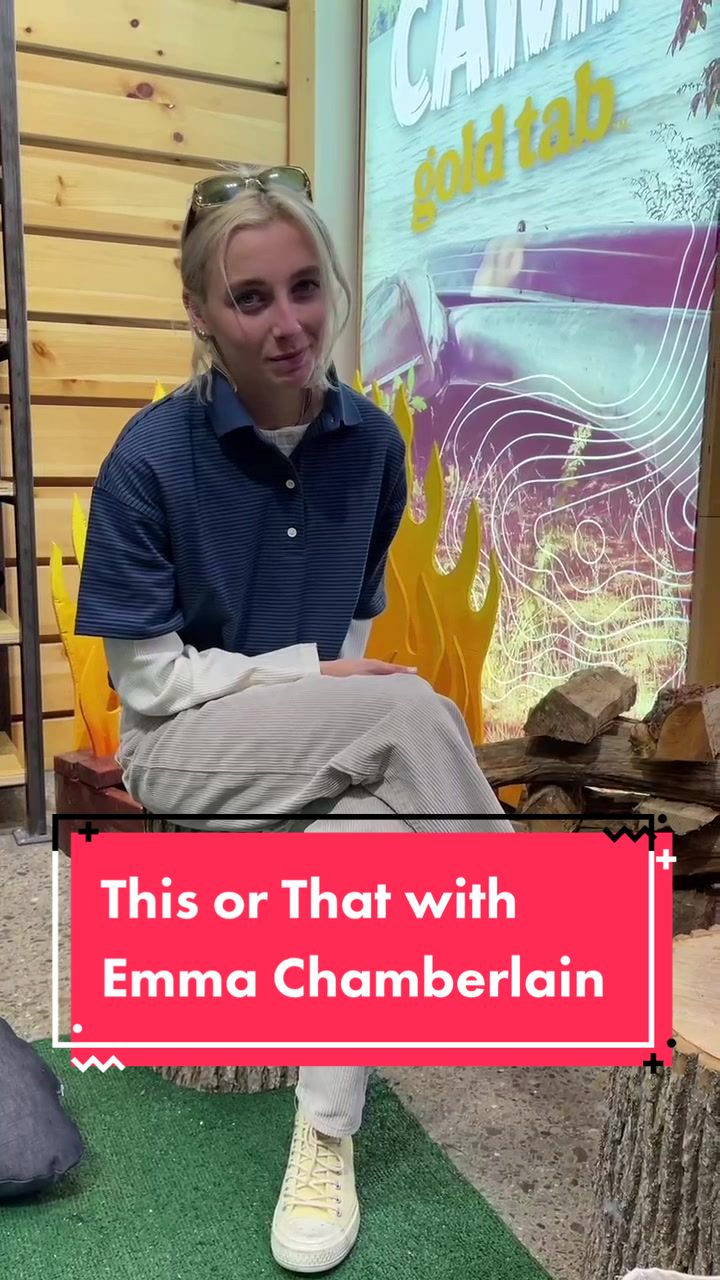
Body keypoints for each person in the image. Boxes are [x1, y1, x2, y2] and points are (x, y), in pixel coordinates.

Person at [75, 164, 514, 1274]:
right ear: (200, 312)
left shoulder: (372, 448)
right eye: (251, 298)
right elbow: (151, 689)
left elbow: (349, 641)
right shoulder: (147, 458)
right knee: (404, 707)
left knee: (361, 836)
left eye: (306, 286)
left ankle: (323, 1138)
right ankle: (531, 924)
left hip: (313, 738)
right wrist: (306, 679)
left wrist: (326, 699)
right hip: (184, 750)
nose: (289, 324)